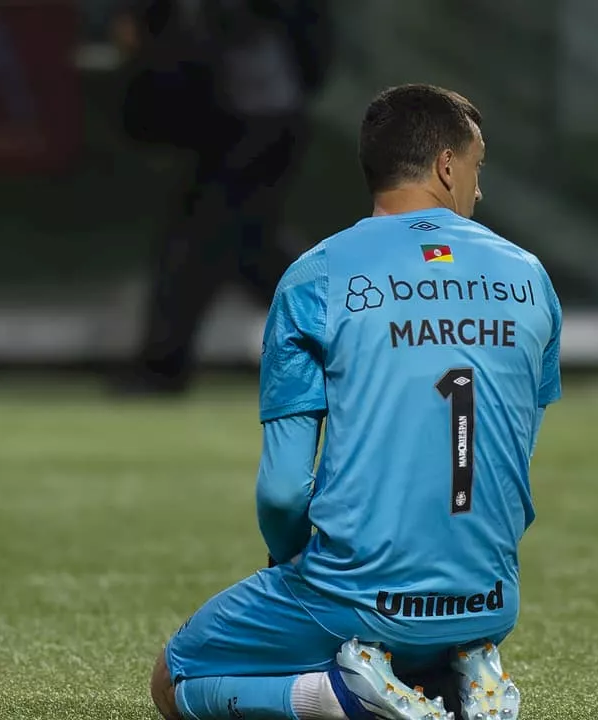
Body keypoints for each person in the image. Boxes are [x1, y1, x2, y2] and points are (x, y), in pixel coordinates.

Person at [149, 84, 563, 720]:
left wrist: (292, 565)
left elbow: (284, 491)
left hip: (363, 595)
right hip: (490, 595)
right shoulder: (530, 275)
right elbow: (510, 463)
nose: (478, 191)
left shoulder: (317, 276)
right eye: (478, 170)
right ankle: (462, 671)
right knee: (394, 629)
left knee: (173, 680)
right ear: (447, 166)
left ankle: (341, 700)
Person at [112, 0, 335, 395]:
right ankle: (351, 335)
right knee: (240, 245)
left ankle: (163, 367)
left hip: (262, 119)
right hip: (239, 118)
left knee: (207, 241)